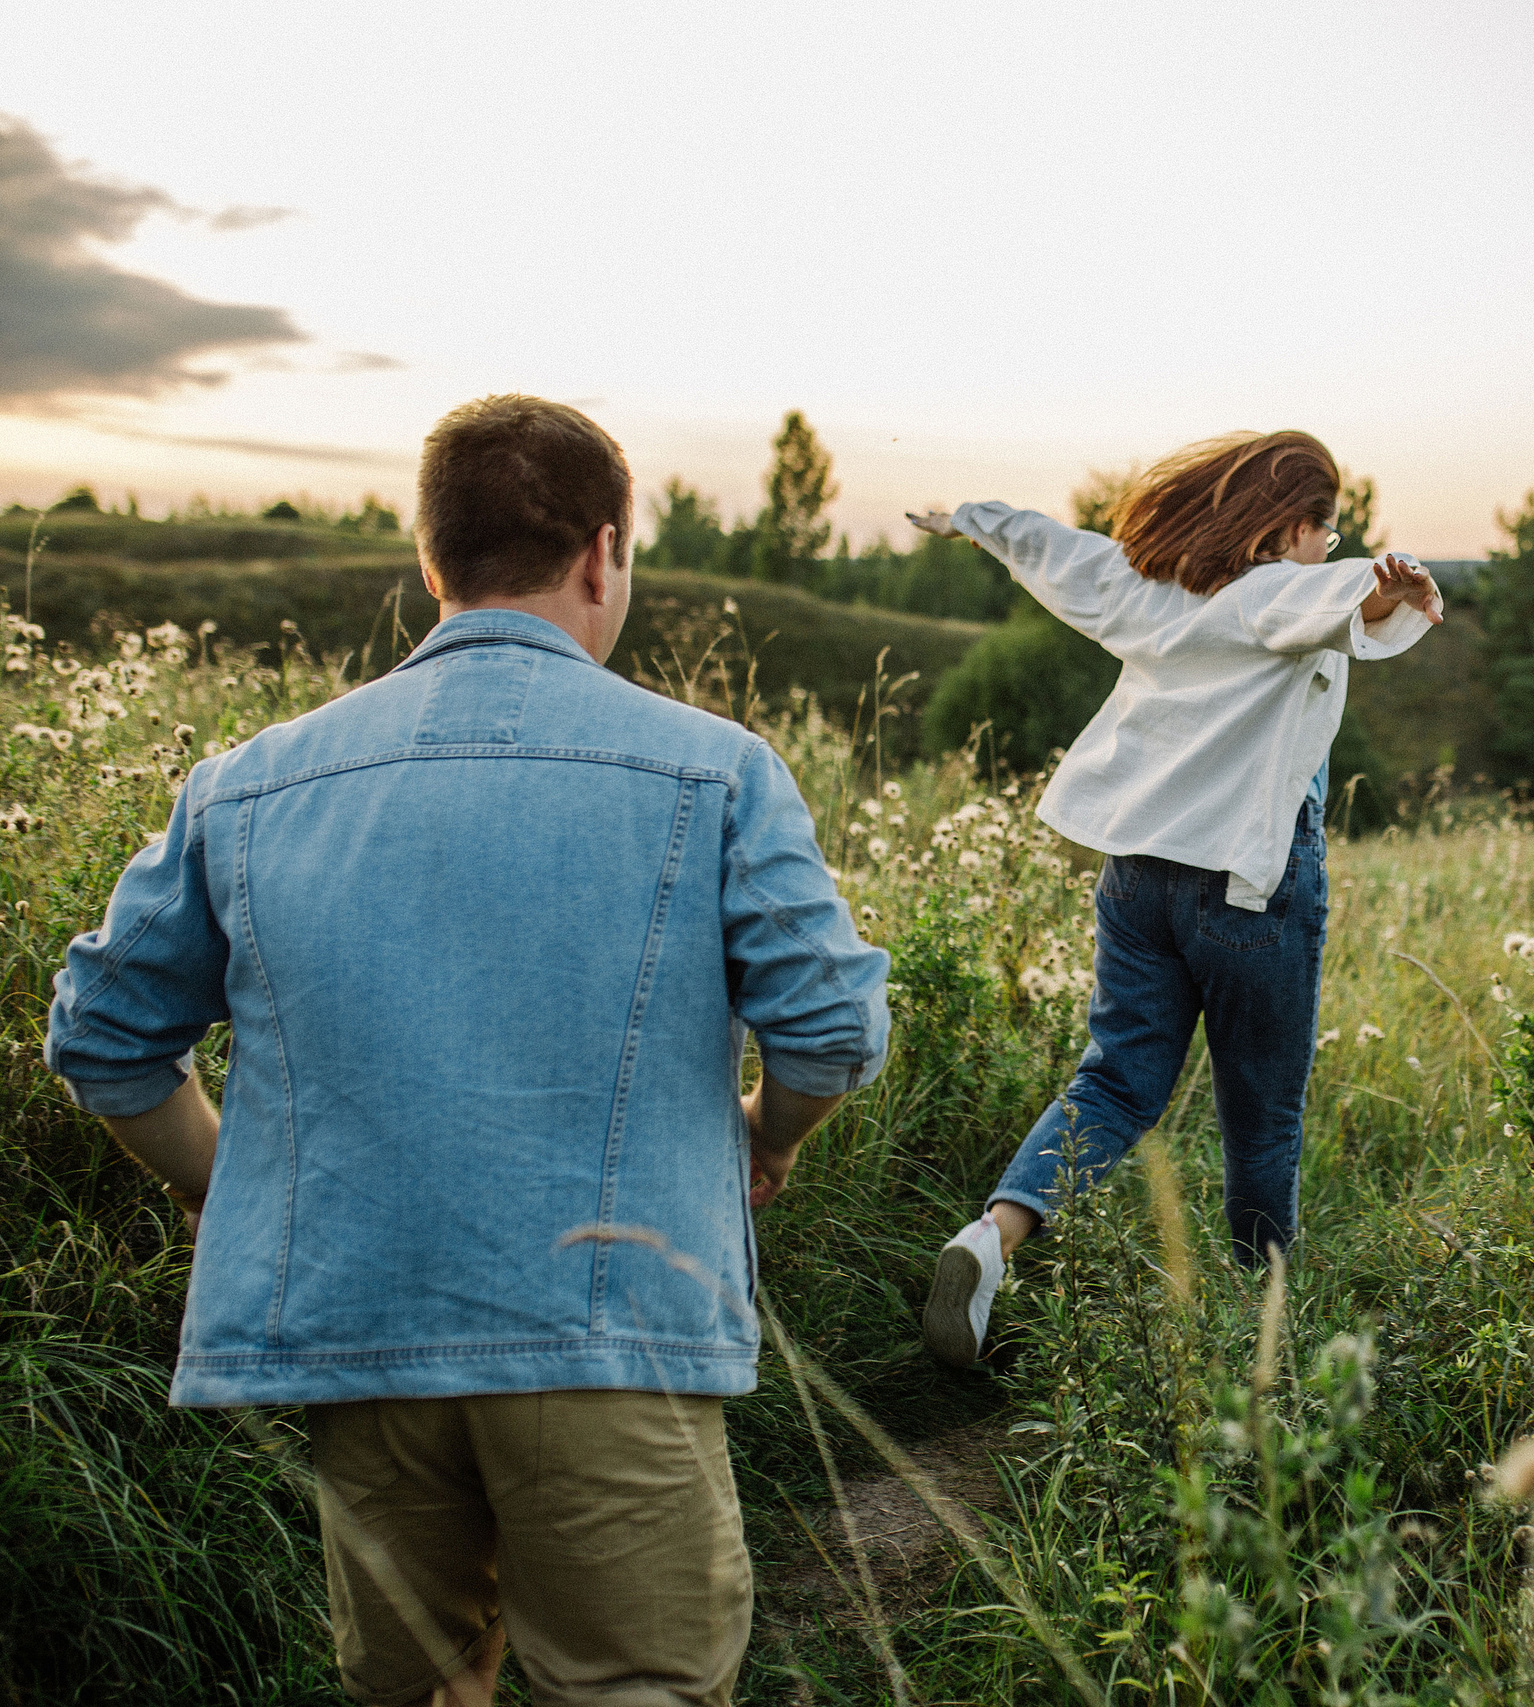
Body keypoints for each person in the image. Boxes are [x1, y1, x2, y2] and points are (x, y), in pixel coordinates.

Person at [44, 394, 890, 1707]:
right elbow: (832, 1025)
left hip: (358, 1327)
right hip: (606, 1334)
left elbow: (104, 1037)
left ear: (431, 557)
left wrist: (226, 1173)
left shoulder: (248, 782)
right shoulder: (712, 771)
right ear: (604, 553)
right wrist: (766, 1131)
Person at [905, 429, 1441, 1370]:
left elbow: (1053, 548)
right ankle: (1262, 1333)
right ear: (1284, 529)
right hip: (1244, 892)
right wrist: (1390, 586)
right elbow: (1332, 591)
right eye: (1322, 526)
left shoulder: (1147, 587)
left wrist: (969, 521)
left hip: (1137, 880)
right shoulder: (1276, 591)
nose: (1326, 542)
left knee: (1112, 1080)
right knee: (1262, 1116)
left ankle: (993, 1236)